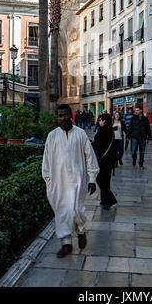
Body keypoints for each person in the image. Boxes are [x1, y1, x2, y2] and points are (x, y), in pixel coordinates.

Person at [42, 104, 99, 258]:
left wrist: (92, 179)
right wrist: (48, 181)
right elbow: (46, 161)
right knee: (61, 213)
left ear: (71, 115)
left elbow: (90, 157)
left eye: (65, 115)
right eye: (60, 116)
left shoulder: (80, 134)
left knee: (76, 209)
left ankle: (80, 231)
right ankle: (66, 243)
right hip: (58, 183)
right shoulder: (52, 136)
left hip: (78, 181)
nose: (63, 118)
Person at [91, 113, 117, 210]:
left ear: (104, 121)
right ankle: (105, 201)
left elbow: (99, 145)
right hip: (109, 159)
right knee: (106, 180)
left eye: (100, 120)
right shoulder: (110, 130)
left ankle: (110, 199)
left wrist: (91, 144)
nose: (99, 122)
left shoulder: (102, 131)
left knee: (100, 179)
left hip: (102, 159)